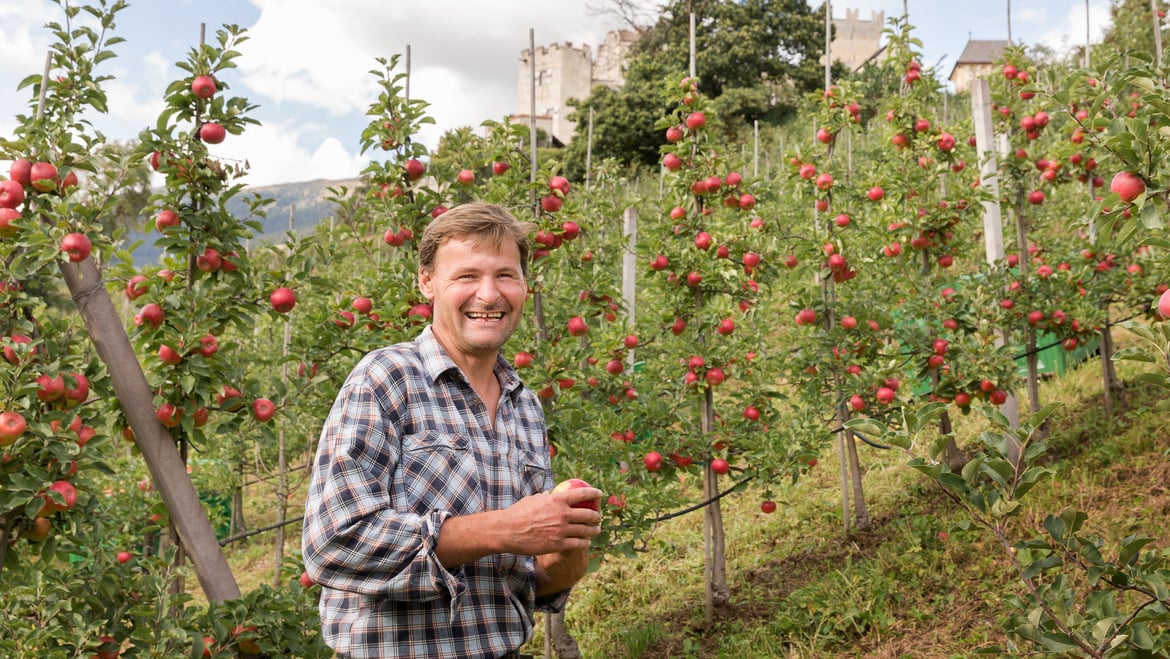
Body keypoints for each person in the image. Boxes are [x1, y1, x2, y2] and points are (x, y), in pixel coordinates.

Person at [303, 202, 603, 659]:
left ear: (524, 285)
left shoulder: (525, 407)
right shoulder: (386, 379)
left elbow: (525, 580)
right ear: (427, 282)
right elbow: (334, 544)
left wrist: (566, 549)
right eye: (466, 276)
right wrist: (504, 528)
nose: (488, 294)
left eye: (506, 275)